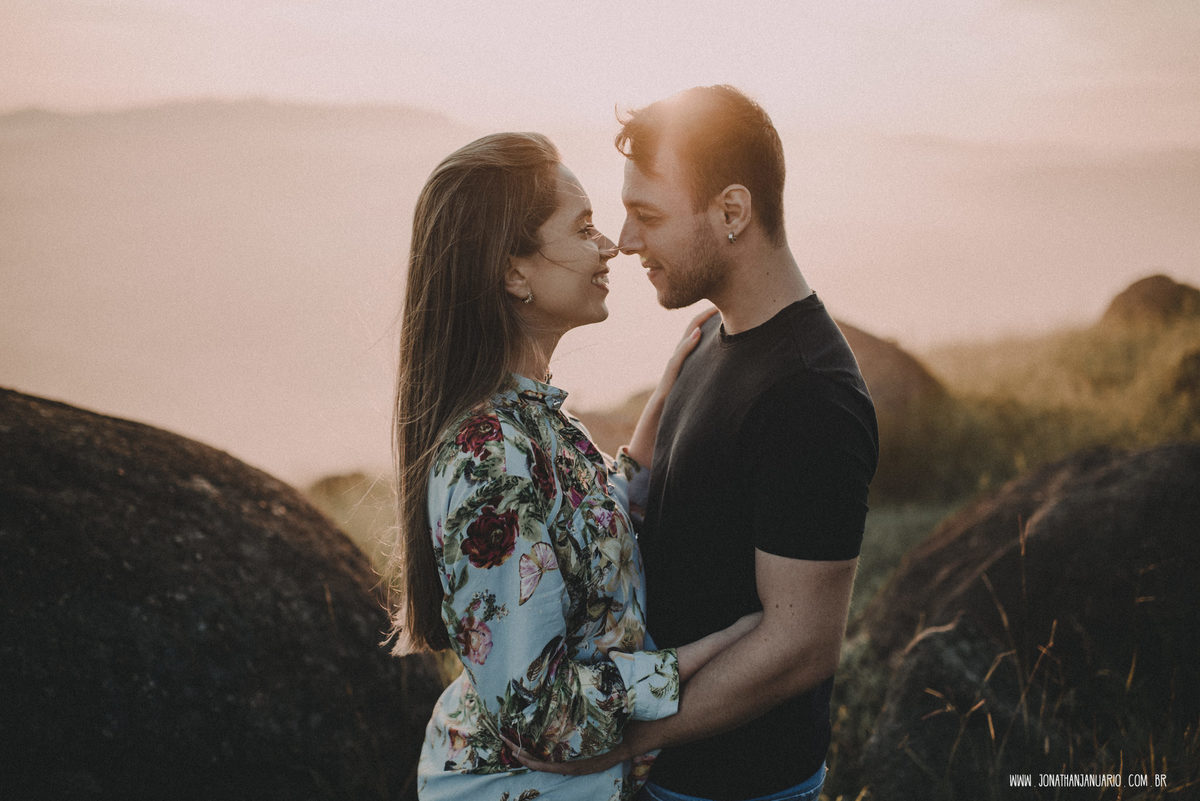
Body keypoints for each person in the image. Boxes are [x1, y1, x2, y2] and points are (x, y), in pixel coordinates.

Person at [511, 87, 879, 801]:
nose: (625, 240)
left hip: (736, 787)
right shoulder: (711, 334)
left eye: (648, 215)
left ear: (732, 212)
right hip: (666, 774)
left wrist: (625, 736)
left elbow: (800, 646)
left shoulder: (811, 394)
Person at [385, 131, 759, 801]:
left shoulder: (534, 422)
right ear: (513, 270)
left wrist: (668, 400)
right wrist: (704, 656)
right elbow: (542, 715)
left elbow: (580, 527)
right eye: (583, 228)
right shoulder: (486, 455)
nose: (611, 245)